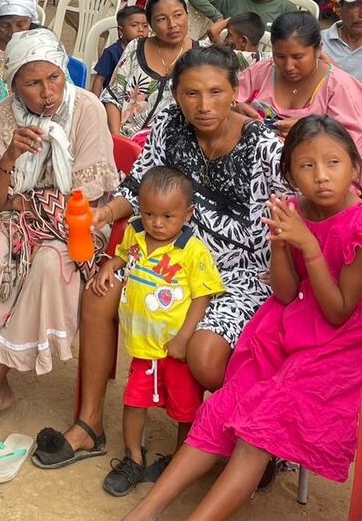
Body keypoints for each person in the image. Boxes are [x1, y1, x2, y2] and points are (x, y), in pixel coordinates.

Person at [125, 116, 362, 521]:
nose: (321, 177)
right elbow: (287, 293)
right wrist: (280, 243)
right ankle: (145, 512)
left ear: (357, 168)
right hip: (291, 319)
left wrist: (307, 246)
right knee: (223, 409)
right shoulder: (293, 210)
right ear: (289, 175)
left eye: (333, 163)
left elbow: (339, 309)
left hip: (342, 341)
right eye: (306, 166)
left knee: (258, 430)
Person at [32, 46, 287, 468]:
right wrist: (105, 213)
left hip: (231, 277)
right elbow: (136, 190)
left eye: (215, 93)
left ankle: (244, 433)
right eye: (190, 94)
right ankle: (90, 423)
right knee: (99, 294)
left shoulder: (263, 149)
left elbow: (280, 228)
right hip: (159, 252)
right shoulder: (170, 125)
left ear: (235, 91)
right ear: (176, 95)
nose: (203, 106)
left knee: (204, 358)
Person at [0, 29, 120, 432]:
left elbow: (85, 195)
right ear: (14, 84)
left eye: (54, 78)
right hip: (16, 219)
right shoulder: (3, 115)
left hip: (76, 223)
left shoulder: (86, 108)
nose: (48, 92)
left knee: (51, 265)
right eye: (33, 83)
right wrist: (11, 156)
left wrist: (27, 200)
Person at [90, 165, 225, 496]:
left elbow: (202, 294)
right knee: (134, 402)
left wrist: (183, 338)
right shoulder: (135, 232)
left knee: (185, 409)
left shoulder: (192, 249)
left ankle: (180, 461)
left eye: (167, 216)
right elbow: (123, 256)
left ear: (187, 213)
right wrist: (110, 265)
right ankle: (133, 458)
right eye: (149, 213)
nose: (157, 223)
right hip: (142, 346)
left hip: (174, 349)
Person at [236, 11, 362, 156]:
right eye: (279, 56)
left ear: (318, 49)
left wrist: (309, 133)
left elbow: (350, 148)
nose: (288, 66)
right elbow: (227, 101)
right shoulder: (261, 72)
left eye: (298, 57)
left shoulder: (341, 87)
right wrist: (236, 109)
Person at [103, 0, 198, 141]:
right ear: (151, 24)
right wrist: (117, 139)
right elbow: (113, 96)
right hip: (128, 139)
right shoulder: (135, 47)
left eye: (178, 15)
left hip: (175, 145)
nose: (172, 24)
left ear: (187, 15)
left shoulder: (202, 55)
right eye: (161, 19)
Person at [93, 5, 149, 97]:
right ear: (121, 31)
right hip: (114, 98)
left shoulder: (148, 51)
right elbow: (100, 80)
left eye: (145, 26)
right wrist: (95, 104)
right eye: (134, 25)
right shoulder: (112, 52)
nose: (141, 30)